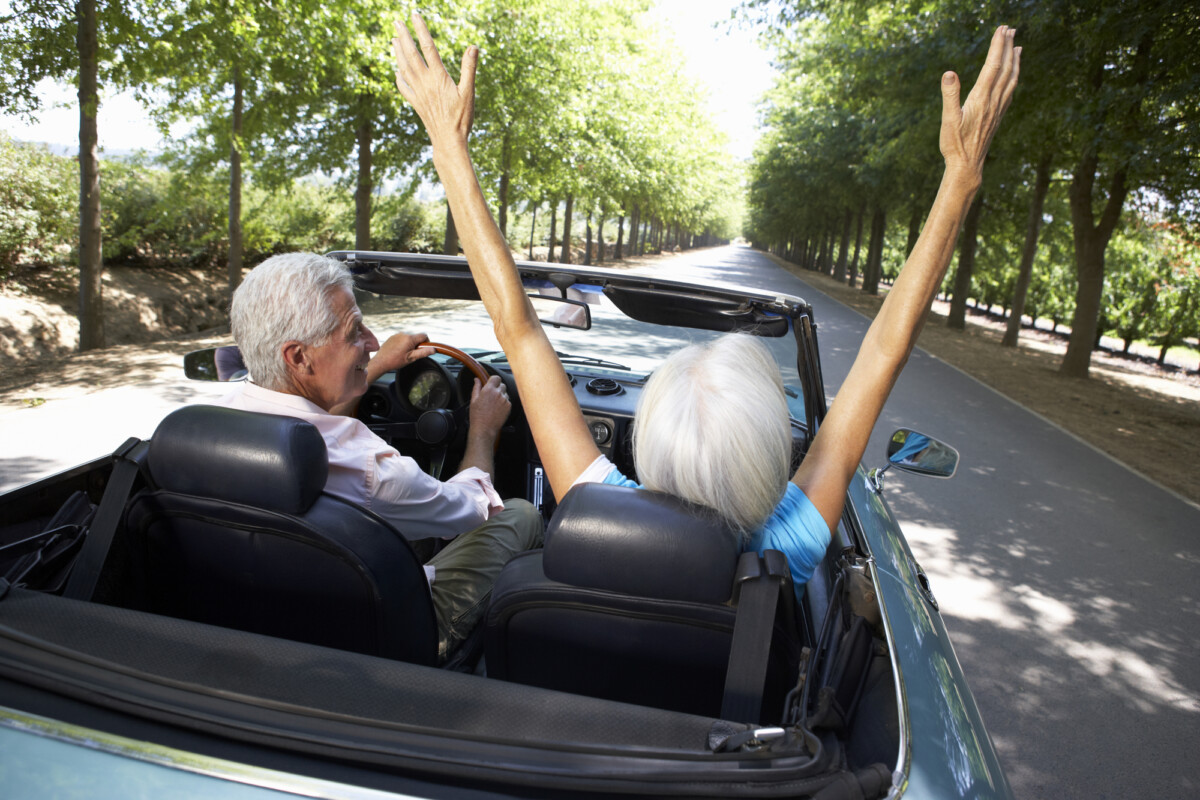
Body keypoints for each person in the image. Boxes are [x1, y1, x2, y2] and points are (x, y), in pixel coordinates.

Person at [390, 16, 1019, 598]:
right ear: (771, 462)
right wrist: (960, 177)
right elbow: (886, 348)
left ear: (649, 451)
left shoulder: (593, 508)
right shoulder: (789, 548)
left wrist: (448, 145)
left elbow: (518, 327)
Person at [216, 252, 543, 662]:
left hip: (258, 619)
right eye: (355, 332)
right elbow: (473, 509)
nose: (372, 342)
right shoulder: (370, 469)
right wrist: (483, 428)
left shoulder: (213, 424)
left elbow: (307, 411)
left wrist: (377, 366)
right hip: (378, 639)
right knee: (520, 514)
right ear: (298, 357)